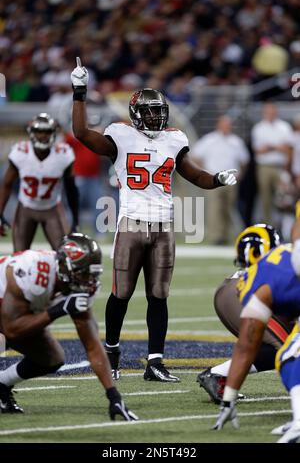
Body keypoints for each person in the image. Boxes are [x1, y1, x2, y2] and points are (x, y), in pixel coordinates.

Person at [71, 57, 238, 383]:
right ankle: (111, 352)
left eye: (159, 111)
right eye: (149, 112)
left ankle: (155, 362)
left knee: (159, 296)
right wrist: (79, 91)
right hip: (131, 224)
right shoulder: (119, 135)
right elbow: (80, 133)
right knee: (121, 293)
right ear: (135, 114)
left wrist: (217, 178)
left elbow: (194, 175)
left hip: (163, 227)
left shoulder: (174, 139)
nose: (155, 116)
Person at [0, 232, 137, 421]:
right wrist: (56, 311)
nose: (88, 281)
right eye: (83, 273)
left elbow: (92, 346)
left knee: (51, 357)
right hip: (7, 315)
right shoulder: (32, 271)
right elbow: (11, 329)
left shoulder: (79, 286)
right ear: (64, 266)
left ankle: (2, 384)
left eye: (92, 274)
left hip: (15, 315)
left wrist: (113, 396)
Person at [197, 223, 294, 404]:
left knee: (284, 343)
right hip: (244, 292)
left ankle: (219, 375)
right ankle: (218, 374)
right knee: (290, 347)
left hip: (235, 289)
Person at [212, 241, 300, 433]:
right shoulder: (267, 282)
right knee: (289, 354)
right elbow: (246, 346)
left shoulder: (265, 284)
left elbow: (246, 346)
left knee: (291, 353)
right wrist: (228, 400)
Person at [0, 113, 79, 250]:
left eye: (47, 131)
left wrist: (75, 219)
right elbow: (6, 185)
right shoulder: (20, 153)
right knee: (20, 257)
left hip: (52, 208)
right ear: (32, 133)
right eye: (39, 131)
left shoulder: (63, 155)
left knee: (63, 256)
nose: (43, 135)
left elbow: (71, 189)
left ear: (53, 133)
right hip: (26, 208)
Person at [192, 115, 249, 245]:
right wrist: (204, 172)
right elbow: (195, 156)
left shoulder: (236, 141)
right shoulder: (209, 140)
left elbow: (245, 161)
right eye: (224, 124)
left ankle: (225, 234)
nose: (227, 127)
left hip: (230, 179)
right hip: (214, 178)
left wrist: (240, 174)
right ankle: (216, 236)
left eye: (228, 125)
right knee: (215, 207)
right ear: (219, 125)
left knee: (228, 208)